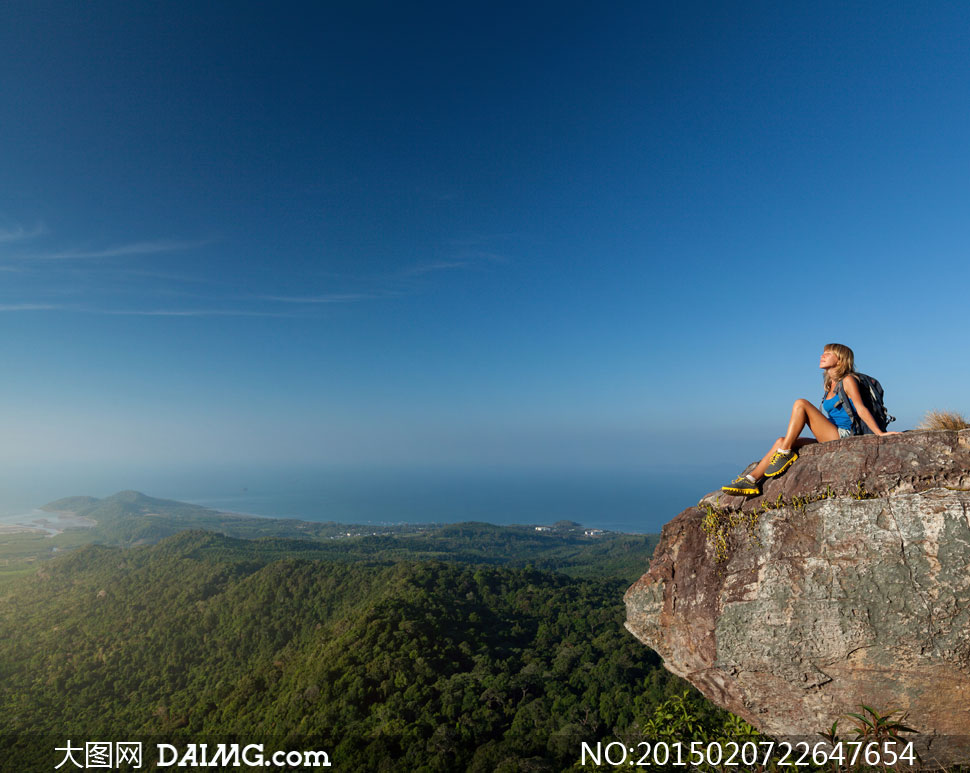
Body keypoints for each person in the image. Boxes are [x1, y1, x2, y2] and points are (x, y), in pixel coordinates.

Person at [722, 343, 899, 497]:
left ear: (840, 359)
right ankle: (751, 480)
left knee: (801, 404)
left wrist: (880, 434)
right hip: (832, 433)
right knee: (782, 441)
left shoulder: (848, 380)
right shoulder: (830, 384)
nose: (822, 356)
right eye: (823, 353)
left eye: (828, 353)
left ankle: (784, 454)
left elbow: (861, 408)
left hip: (845, 435)